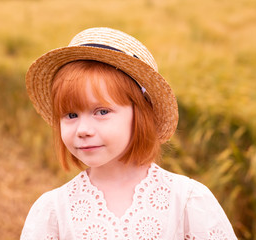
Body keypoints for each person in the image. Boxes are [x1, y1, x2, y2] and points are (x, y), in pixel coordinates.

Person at [21, 27, 237, 240]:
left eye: (102, 111)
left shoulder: (188, 202)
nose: (83, 130)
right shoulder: (53, 212)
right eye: (70, 115)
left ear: (140, 115)